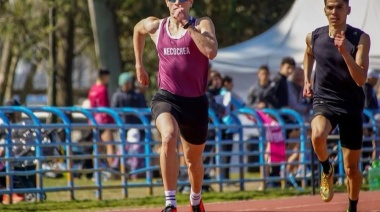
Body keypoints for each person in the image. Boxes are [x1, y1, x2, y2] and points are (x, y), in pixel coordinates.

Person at [133, 0, 218, 211]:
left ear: (190, 2)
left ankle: (195, 199)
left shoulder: (202, 24)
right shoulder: (157, 26)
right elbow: (137, 29)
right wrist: (139, 65)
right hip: (167, 98)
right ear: (166, 2)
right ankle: (170, 202)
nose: (177, 3)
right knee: (168, 136)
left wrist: (188, 25)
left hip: (195, 102)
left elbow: (211, 51)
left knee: (193, 162)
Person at [303, 0, 371, 211]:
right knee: (317, 135)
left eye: (339, 7)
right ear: (325, 10)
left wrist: (344, 53)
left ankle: (352, 206)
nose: (335, 12)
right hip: (325, 100)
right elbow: (308, 53)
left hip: (351, 105)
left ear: (348, 10)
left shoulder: (360, 38)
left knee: (352, 169)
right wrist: (307, 79)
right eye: (330, 7)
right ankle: (326, 168)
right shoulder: (314, 36)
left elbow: (361, 79)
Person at [88, 69, 114, 167]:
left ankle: (96, 169)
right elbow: (105, 106)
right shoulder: (103, 89)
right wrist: (111, 121)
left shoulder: (92, 89)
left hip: (93, 121)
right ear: (104, 77)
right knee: (110, 146)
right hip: (103, 121)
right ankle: (112, 169)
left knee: (97, 147)